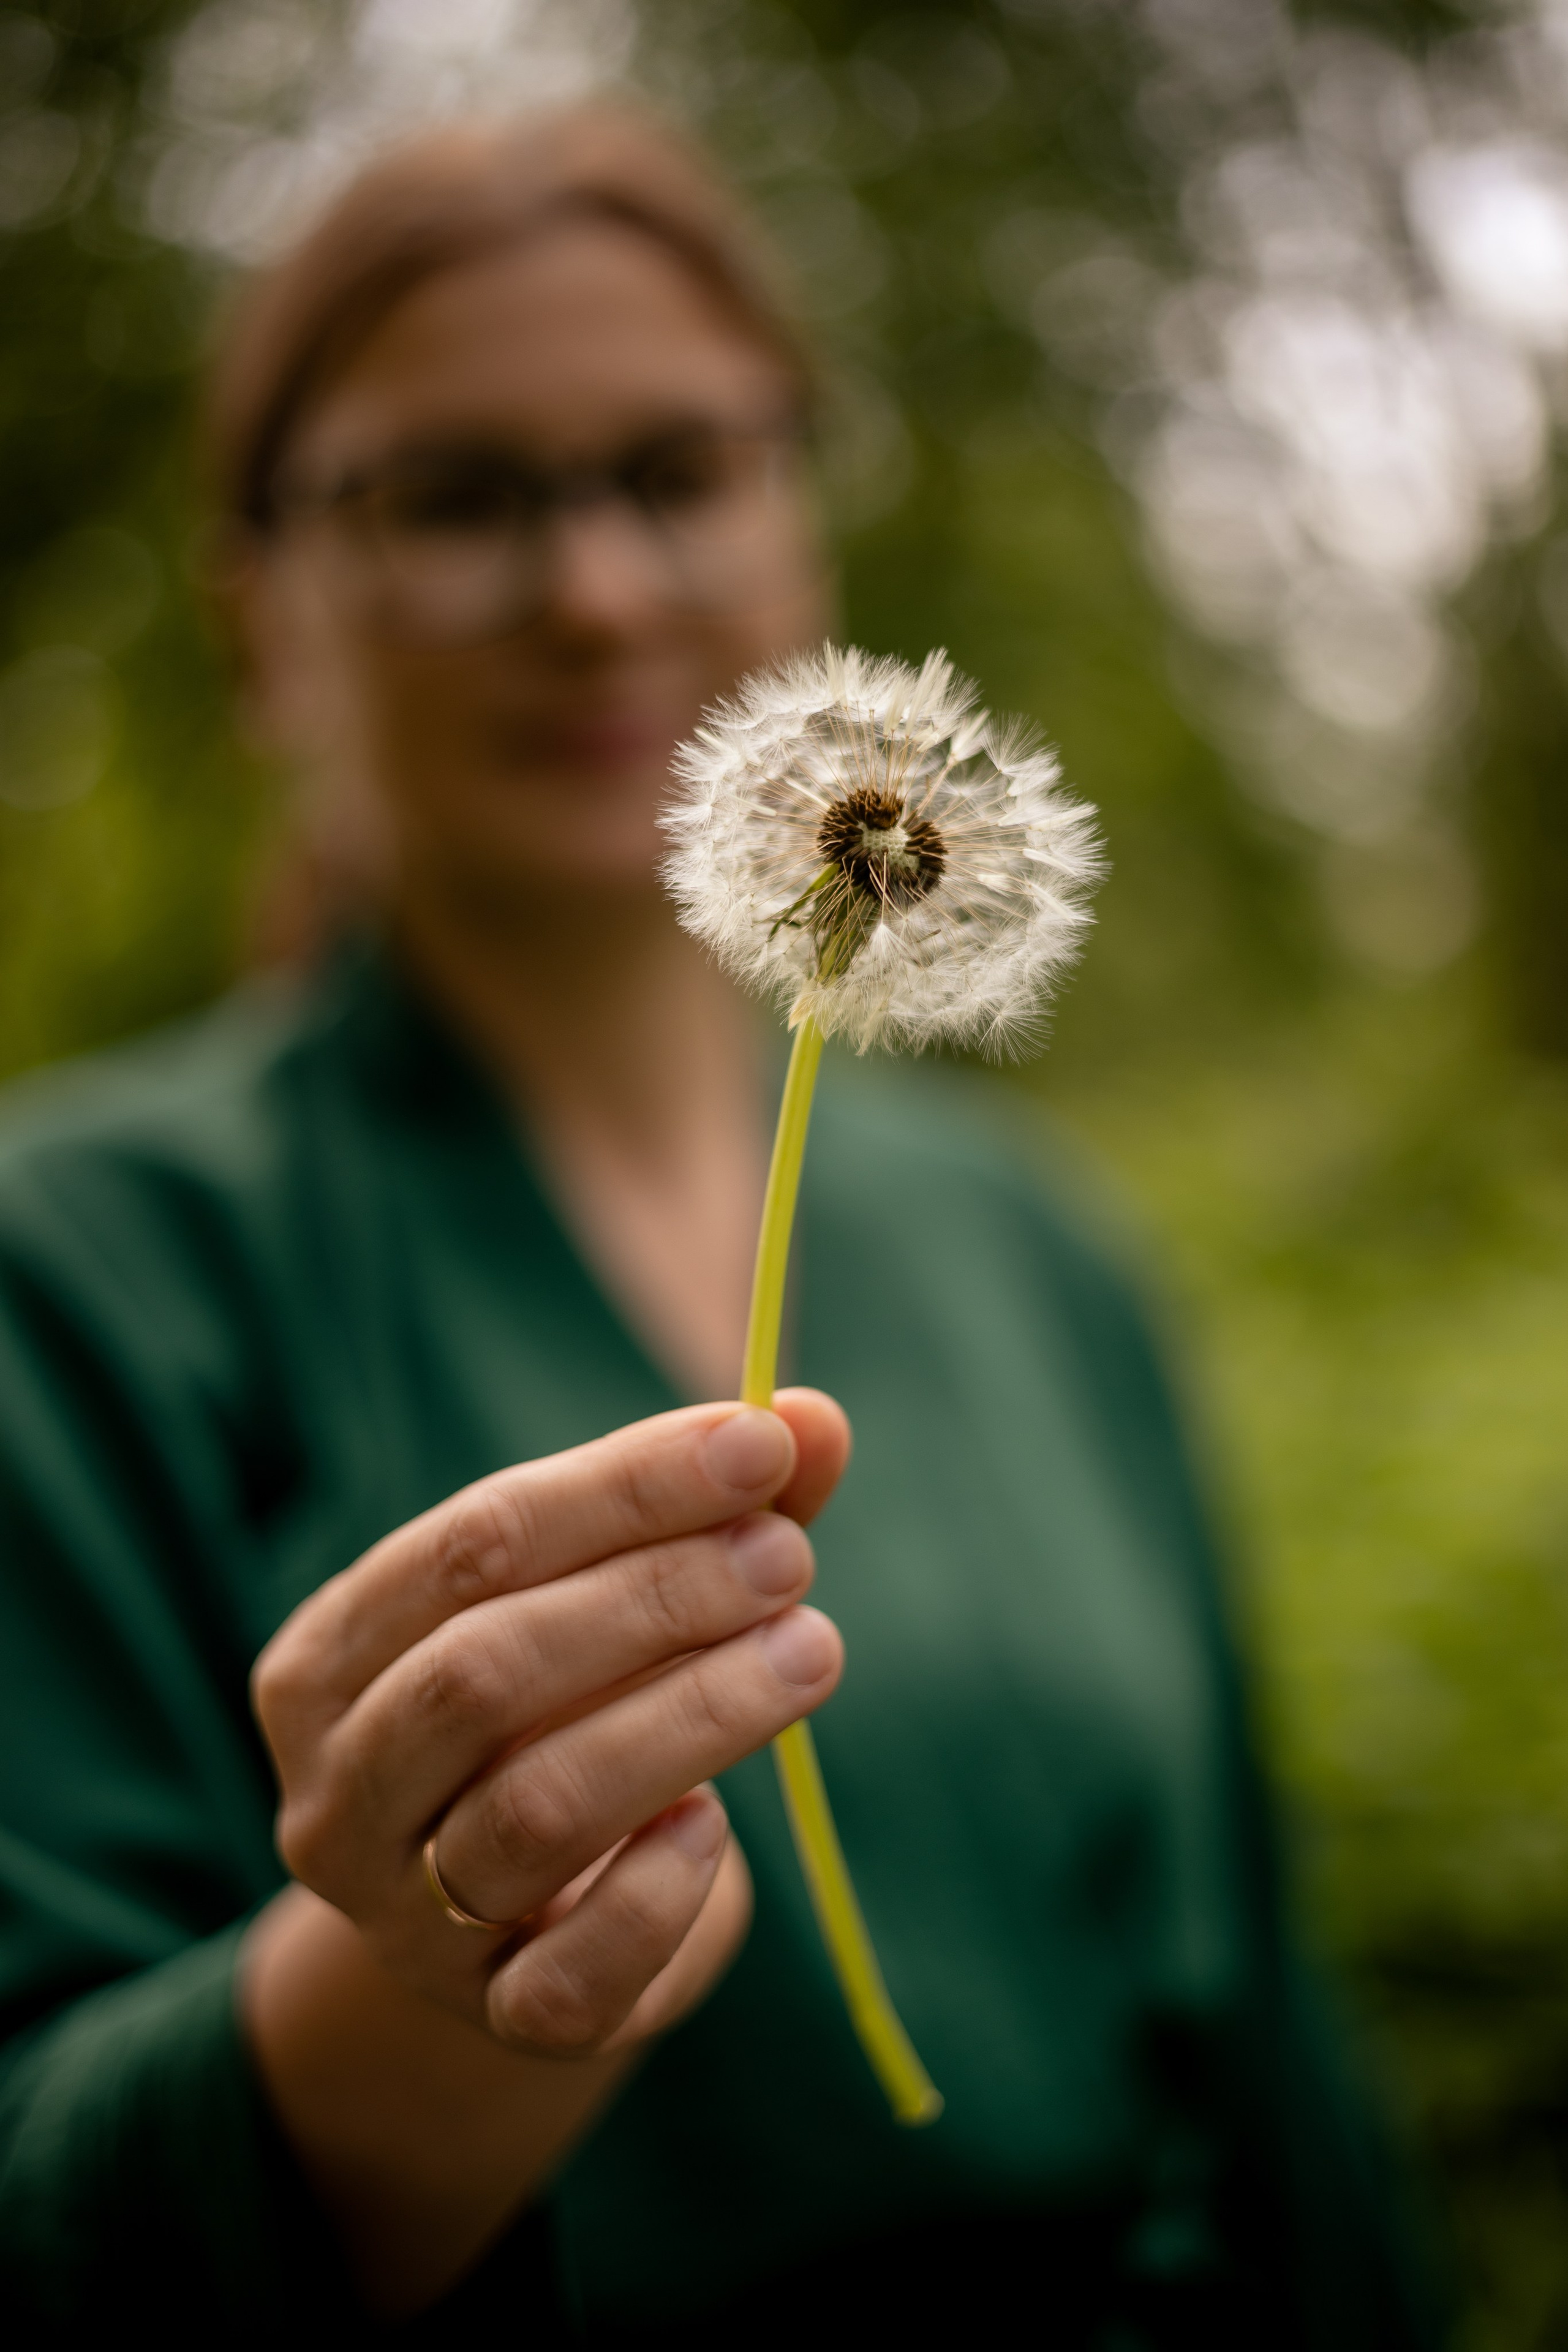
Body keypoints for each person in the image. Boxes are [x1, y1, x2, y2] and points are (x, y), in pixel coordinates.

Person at [0, 104, 1434, 2347]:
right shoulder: (66, 1267)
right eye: (457, 500)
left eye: (674, 471)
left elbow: (1269, 2054)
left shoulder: (1042, 1252)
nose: (588, 588)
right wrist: (413, 2013)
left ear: (802, 540)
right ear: (262, 615)